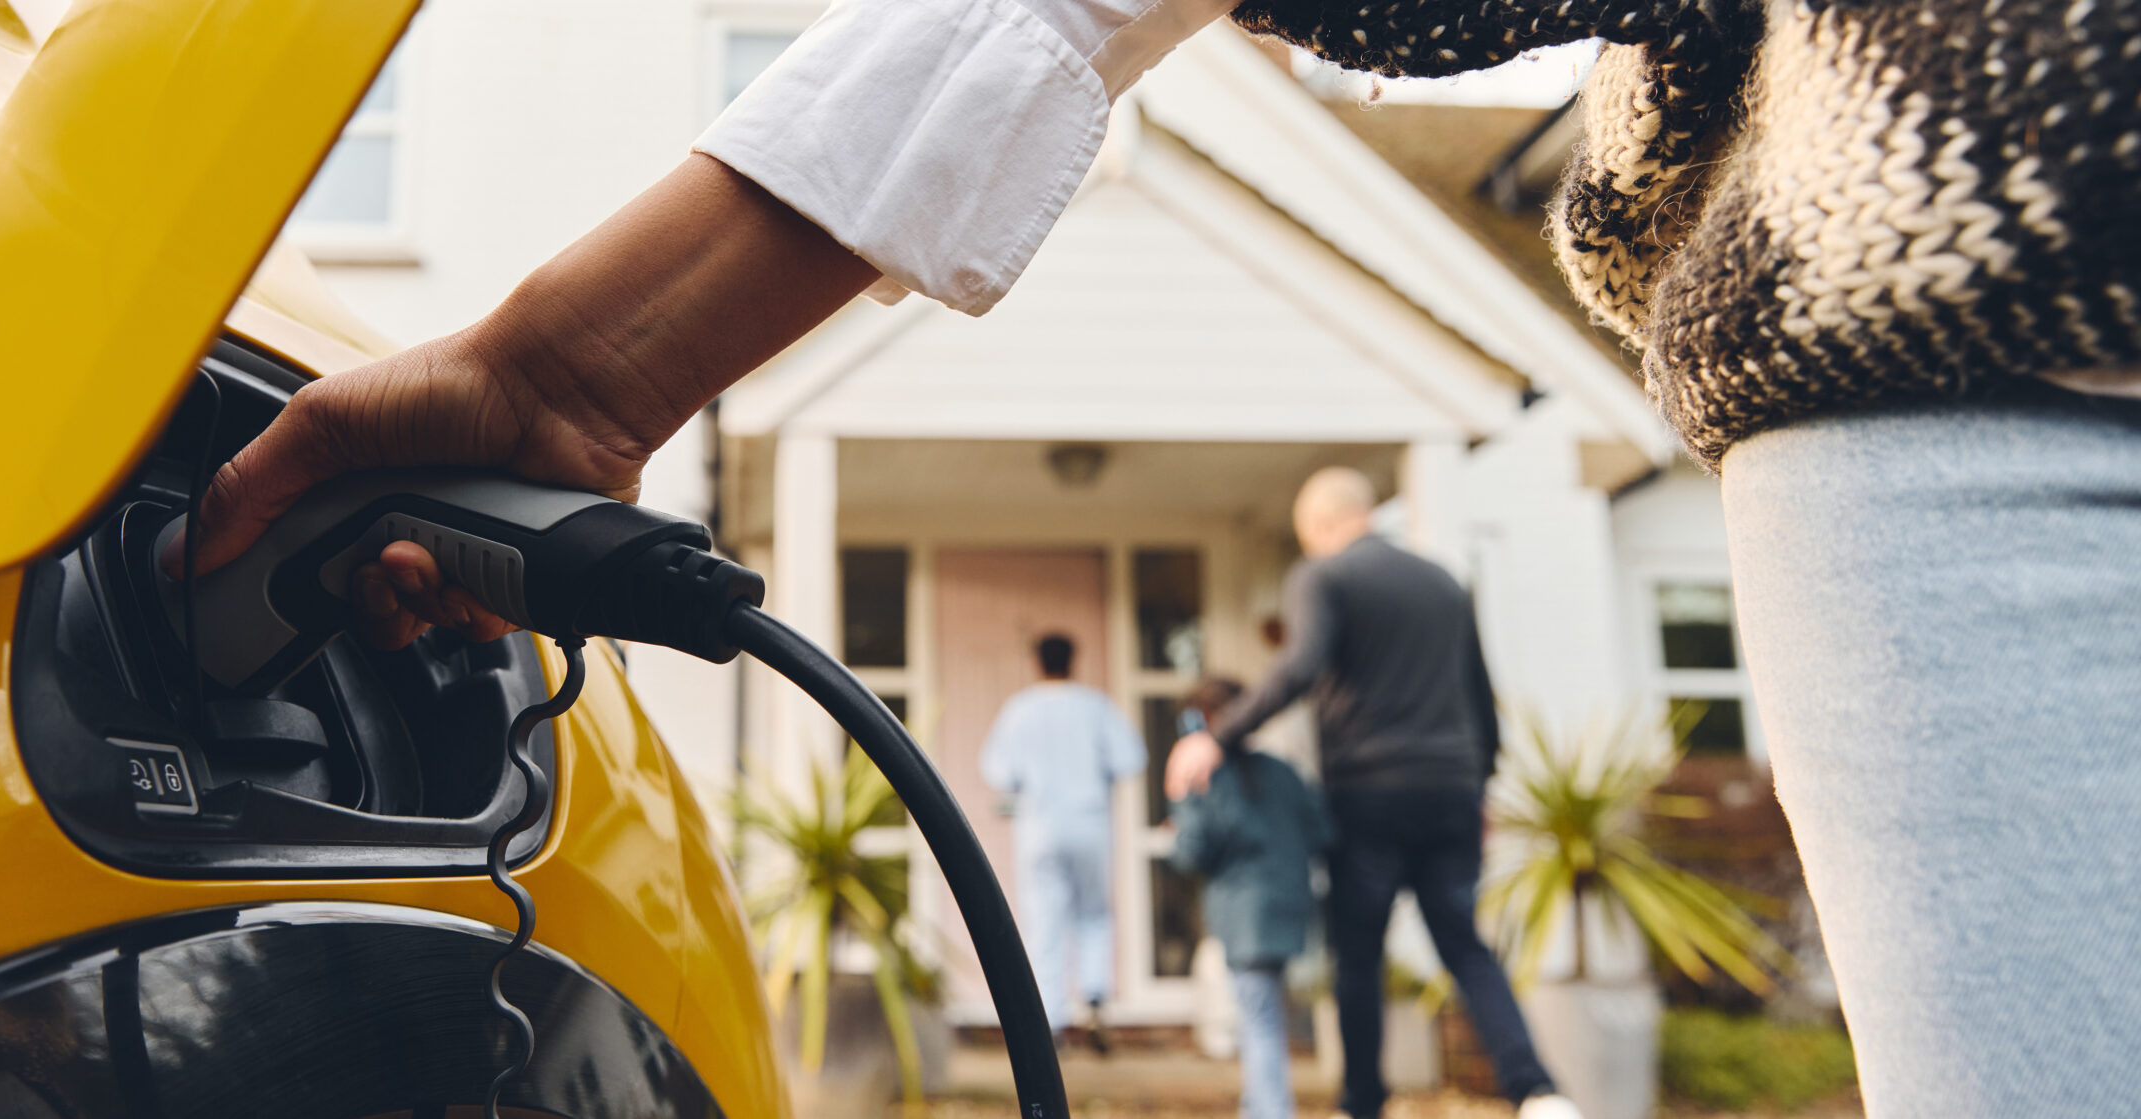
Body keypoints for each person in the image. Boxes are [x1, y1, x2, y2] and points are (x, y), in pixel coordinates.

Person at [169, 0, 2141, 1112]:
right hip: (2008, 291)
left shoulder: (1334, 595)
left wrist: (1216, 738)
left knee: (1354, 943)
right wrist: (595, 359)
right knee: (1382, 938)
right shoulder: (1388, 594)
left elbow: (1280, 669)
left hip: (1411, 762)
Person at [1161, 468, 1566, 1119]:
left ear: (1317, 526)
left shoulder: (1324, 575)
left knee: (1358, 953)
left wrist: (1220, 736)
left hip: (1369, 791)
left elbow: (1302, 663)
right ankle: (1538, 1092)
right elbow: (1479, 698)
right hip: (1452, 789)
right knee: (1463, 943)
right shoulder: (1442, 581)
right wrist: (1480, 785)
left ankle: (1363, 1103)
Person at [1167, 677, 1331, 1119]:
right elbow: (1321, 832)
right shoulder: (1281, 771)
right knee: (1266, 1014)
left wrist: (1179, 800)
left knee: (1260, 1023)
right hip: (1289, 906)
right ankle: (1257, 1107)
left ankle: (1271, 1110)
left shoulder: (1207, 778)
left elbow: (1192, 852)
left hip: (1244, 914)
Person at [978, 633, 1146, 1052]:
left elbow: (998, 771)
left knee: (1044, 923)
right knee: (1094, 914)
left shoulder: (1020, 710)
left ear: (1037, 662)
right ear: (1074, 660)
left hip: (1039, 828)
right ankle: (1094, 1001)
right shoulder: (1096, 707)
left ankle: (1051, 1025)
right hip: (1090, 824)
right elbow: (1130, 759)